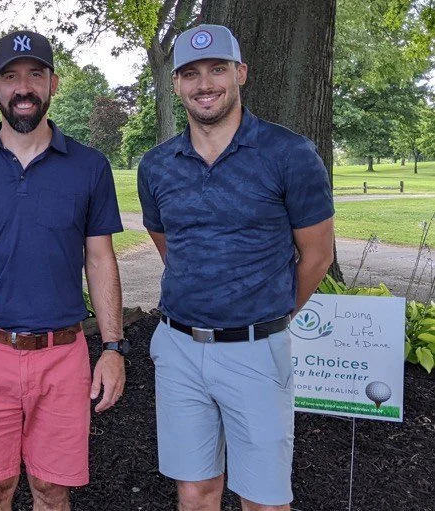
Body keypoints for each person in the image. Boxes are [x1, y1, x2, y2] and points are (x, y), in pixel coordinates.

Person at [137, 24, 335, 511]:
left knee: (264, 500)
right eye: (190, 73)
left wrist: (272, 313)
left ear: (240, 73)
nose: (204, 83)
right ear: (176, 84)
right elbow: (171, 247)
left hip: (256, 350)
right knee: (195, 491)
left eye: (217, 68)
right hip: (179, 348)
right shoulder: (157, 165)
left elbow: (317, 255)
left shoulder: (289, 154)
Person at [0, 30, 129, 511]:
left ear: (54, 83)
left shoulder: (89, 166)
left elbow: (100, 258)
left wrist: (113, 347)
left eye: (35, 75)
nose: (24, 88)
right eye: (11, 77)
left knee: (51, 490)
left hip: (63, 354)